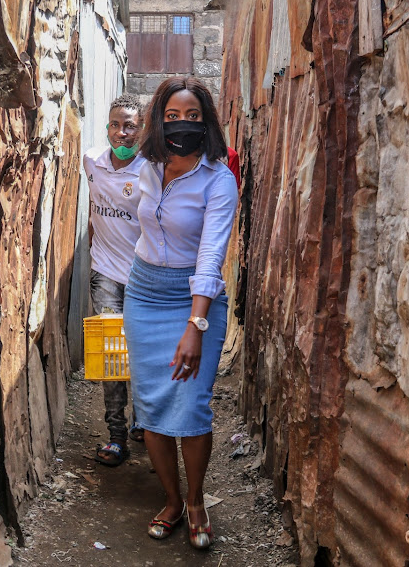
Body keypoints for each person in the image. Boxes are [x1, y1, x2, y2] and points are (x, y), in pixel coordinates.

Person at [123, 77, 238, 549]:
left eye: (193, 117)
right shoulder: (148, 166)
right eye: (173, 116)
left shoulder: (218, 178)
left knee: (190, 406)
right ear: (159, 120)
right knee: (151, 406)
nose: (182, 125)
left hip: (196, 301)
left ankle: (196, 501)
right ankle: (171, 500)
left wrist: (196, 324)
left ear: (206, 122)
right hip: (144, 295)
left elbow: (211, 255)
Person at [83, 93, 147, 467]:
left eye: (130, 126)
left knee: (140, 353)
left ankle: (144, 420)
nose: (121, 133)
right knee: (112, 357)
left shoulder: (152, 171)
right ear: (107, 127)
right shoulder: (91, 161)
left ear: (141, 131)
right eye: (114, 124)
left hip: (143, 279)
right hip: (104, 274)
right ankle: (117, 435)